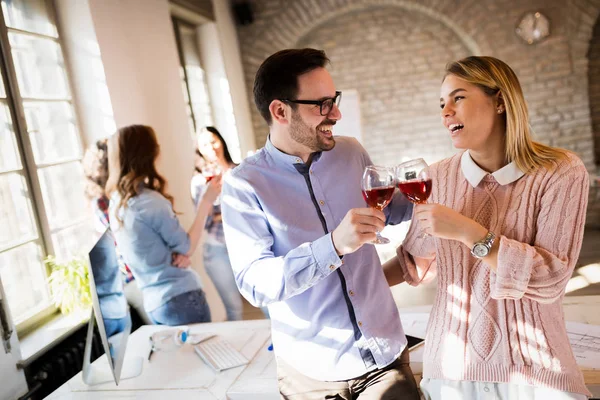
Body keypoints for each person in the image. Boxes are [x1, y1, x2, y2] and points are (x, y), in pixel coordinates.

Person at [383, 56, 591, 399]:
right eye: (442, 104)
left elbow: (551, 278)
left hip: (537, 374)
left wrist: (470, 232)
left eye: (458, 97)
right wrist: (347, 283)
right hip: (450, 373)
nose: (445, 111)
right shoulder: (436, 176)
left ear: (499, 101)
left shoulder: (561, 171)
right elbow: (414, 265)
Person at [221, 48, 420, 399]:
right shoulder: (243, 185)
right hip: (311, 375)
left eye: (335, 100)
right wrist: (333, 246)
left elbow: (385, 210)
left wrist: (444, 180)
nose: (336, 113)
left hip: (384, 358)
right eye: (322, 104)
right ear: (280, 111)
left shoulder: (351, 152)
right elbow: (255, 283)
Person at [106, 124, 220, 326]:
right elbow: (186, 246)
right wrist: (206, 202)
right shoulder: (151, 202)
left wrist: (177, 254)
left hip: (154, 304)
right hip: (181, 298)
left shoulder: (116, 203)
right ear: (148, 154)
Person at [82, 139, 149, 325]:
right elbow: (124, 238)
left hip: (135, 276)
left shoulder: (108, 198)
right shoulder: (102, 203)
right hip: (133, 278)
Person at [190, 126, 243, 321]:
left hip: (245, 245)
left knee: (266, 303)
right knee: (234, 309)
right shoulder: (199, 182)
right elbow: (203, 221)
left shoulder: (240, 170)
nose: (211, 147)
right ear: (199, 150)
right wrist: (211, 199)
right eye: (205, 144)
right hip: (217, 250)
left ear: (221, 141)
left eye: (213, 141)